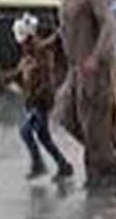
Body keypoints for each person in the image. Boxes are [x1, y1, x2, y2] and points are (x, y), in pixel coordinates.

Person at [51, 0, 116, 188]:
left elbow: (109, 26)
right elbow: (66, 28)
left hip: (96, 70)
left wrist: (96, 58)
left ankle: (102, 177)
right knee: (66, 115)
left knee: (93, 124)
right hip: (77, 68)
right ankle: (115, 140)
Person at [8, 13, 74, 181]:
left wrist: (37, 100)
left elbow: (45, 80)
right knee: (43, 137)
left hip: (40, 101)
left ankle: (39, 165)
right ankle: (63, 165)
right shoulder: (29, 53)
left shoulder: (40, 52)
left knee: (26, 132)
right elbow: (18, 73)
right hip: (34, 100)